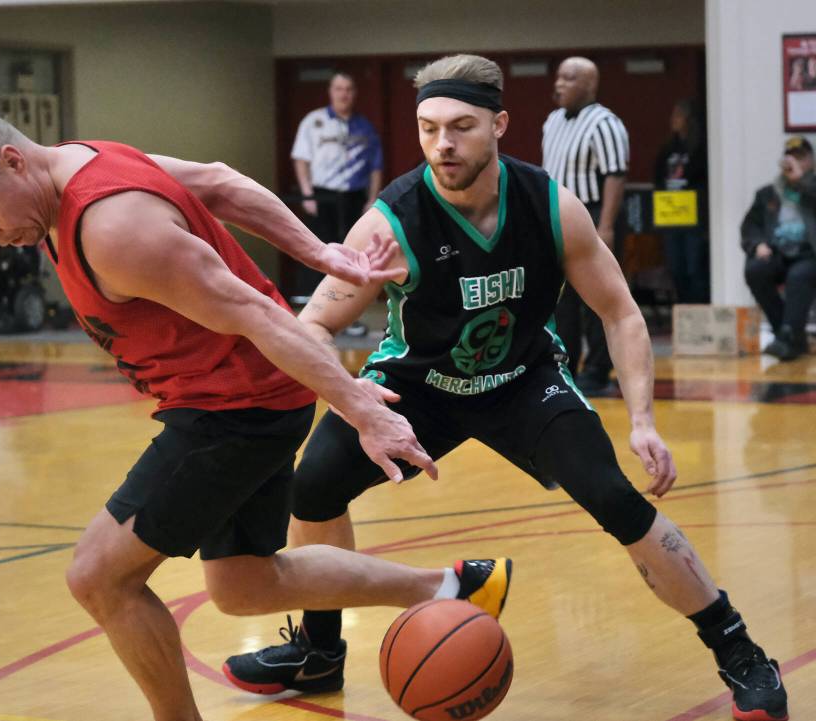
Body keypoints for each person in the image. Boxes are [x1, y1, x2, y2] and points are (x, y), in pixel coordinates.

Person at [223, 55, 789, 721]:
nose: (443, 144)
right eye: (428, 127)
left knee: (614, 496)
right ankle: (320, 649)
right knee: (314, 481)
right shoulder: (391, 220)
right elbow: (312, 323)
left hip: (523, 380)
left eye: (461, 126)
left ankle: (739, 649)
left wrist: (642, 420)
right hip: (419, 386)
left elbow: (621, 311)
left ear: (500, 124)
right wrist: (356, 403)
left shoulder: (551, 206)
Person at [0, 102, 513, 721]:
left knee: (98, 577)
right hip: (244, 397)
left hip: (232, 408)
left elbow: (257, 313)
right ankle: (451, 586)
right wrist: (322, 254)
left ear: (13, 161)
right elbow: (222, 183)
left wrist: (364, 409)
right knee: (244, 585)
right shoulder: (80, 160)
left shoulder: (113, 229)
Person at [542, 56, 629, 395]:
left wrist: (605, 225)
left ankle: (598, 369)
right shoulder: (552, 121)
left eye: (569, 78)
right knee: (560, 296)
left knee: (597, 295)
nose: (559, 84)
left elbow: (616, 176)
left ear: (590, 84)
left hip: (594, 214)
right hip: (559, 214)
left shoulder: (606, 123)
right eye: (559, 77)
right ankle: (567, 363)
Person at [291, 70, 383, 310]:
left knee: (352, 248)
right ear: (330, 92)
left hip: (354, 197)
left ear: (355, 94)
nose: (344, 94)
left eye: (348, 89)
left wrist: (372, 199)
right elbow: (301, 159)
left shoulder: (365, 127)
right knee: (317, 246)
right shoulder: (314, 121)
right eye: (339, 89)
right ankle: (313, 304)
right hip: (321, 195)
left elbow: (376, 167)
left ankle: (346, 304)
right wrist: (307, 193)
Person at [741, 135, 816, 361]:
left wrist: (802, 181)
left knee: (799, 276)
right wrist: (758, 244)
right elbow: (749, 225)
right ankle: (787, 334)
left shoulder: (812, 188)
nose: (793, 162)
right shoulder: (768, 193)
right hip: (777, 251)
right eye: (790, 157)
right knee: (755, 270)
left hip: (808, 253)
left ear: (810, 161)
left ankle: (790, 337)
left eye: (800, 157)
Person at [654, 99, 709, 304]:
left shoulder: (700, 148)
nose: (673, 120)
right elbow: (658, 178)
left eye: (678, 115)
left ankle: (697, 308)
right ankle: (683, 307)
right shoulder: (668, 148)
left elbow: (702, 180)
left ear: (689, 119)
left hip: (693, 217)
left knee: (695, 267)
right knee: (676, 268)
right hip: (671, 214)